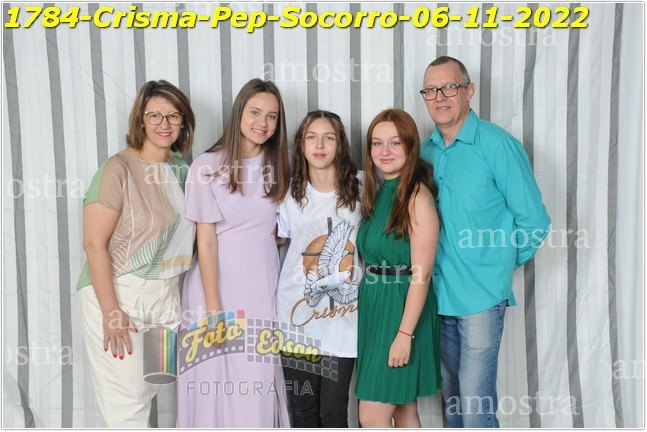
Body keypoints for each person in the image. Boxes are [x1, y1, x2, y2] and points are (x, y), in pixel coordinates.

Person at [419, 56, 551, 428]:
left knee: (476, 408)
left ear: (469, 90)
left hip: (481, 299)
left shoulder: (497, 145)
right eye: (431, 90)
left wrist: (498, 265)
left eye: (449, 87)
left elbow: (535, 221)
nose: (440, 97)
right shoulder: (425, 152)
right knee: (452, 403)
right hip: (439, 296)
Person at [77, 80, 196, 427]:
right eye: (155, 115)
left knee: (151, 388)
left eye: (173, 116)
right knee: (126, 406)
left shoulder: (183, 169)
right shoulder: (118, 168)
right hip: (120, 294)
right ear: (140, 120)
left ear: (183, 122)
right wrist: (111, 311)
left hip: (166, 298)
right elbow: (93, 243)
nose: (164, 124)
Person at [176, 78, 291, 427]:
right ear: (239, 112)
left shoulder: (282, 165)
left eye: (272, 116)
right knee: (211, 380)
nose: (262, 123)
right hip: (213, 288)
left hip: (260, 286)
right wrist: (214, 310)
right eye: (255, 112)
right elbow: (206, 240)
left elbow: (285, 226)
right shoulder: (207, 166)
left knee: (255, 380)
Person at [355, 109, 441, 427]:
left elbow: (422, 274)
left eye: (394, 142)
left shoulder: (417, 196)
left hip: (403, 309)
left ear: (410, 146)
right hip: (376, 306)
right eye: (377, 143)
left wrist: (405, 334)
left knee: (372, 415)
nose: (385, 151)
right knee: (404, 408)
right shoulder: (379, 192)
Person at [276, 110, 362, 427]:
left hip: (343, 319)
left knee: (334, 412)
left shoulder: (363, 186)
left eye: (329, 137)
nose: (320, 145)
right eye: (311, 137)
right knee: (303, 410)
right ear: (301, 145)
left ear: (340, 144)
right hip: (297, 315)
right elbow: (277, 239)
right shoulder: (288, 193)